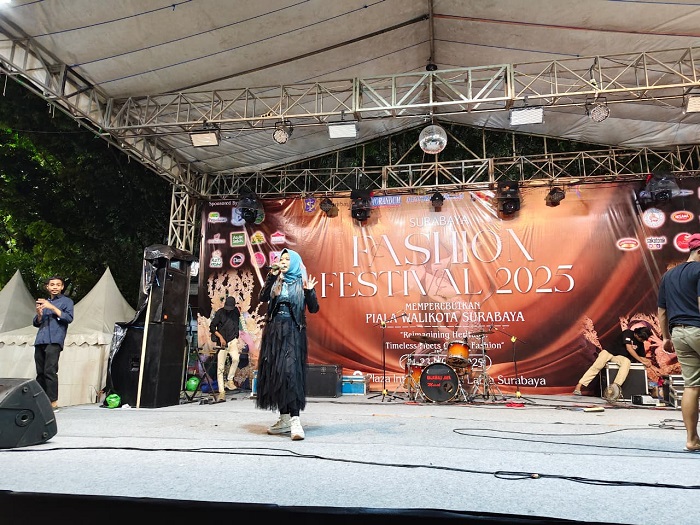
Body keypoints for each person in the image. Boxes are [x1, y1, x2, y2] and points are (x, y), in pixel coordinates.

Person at [255, 248, 319, 440]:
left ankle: (295, 420)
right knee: (277, 373)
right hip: (274, 331)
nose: (283, 261)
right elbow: (262, 298)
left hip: (293, 331)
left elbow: (314, 308)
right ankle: (284, 419)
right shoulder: (276, 281)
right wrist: (271, 275)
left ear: (295, 263)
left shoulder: (302, 281)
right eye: (281, 259)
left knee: (291, 373)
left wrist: (309, 291)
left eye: (287, 259)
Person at [657, 233, 700, 452]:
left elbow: (662, 311)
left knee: (691, 386)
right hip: (698, 329)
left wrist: (666, 337)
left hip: (678, 334)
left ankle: (692, 440)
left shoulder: (669, 275)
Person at [573, 326, 652, 398]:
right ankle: (579, 386)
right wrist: (642, 361)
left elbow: (641, 356)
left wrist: (647, 361)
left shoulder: (640, 343)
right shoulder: (628, 333)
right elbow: (629, 348)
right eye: (641, 338)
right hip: (609, 352)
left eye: (643, 340)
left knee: (627, 362)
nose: (642, 340)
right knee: (597, 366)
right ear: (637, 334)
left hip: (619, 357)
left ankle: (615, 387)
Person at [33, 275, 74, 410]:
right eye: (52, 285)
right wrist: (39, 314)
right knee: (40, 372)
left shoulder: (67, 301)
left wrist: (51, 307)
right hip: (40, 340)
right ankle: (40, 401)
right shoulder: (43, 302)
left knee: (50, 370)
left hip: (55, 340)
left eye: (57, 285)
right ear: (47, 287)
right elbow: (36, 322)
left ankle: (53, 402)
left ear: (62, 287)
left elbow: (68, 318)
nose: (55, 287)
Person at [209, 295, 241, 402]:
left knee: (236, 359)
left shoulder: (236, 312)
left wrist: (236, 336)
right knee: (220, 368)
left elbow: (237, 324)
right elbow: (212, 327)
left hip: (232, 340)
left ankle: (230, 380)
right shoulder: (220, 313)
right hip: (222, 342)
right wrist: (220, 337)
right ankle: (221, 392)